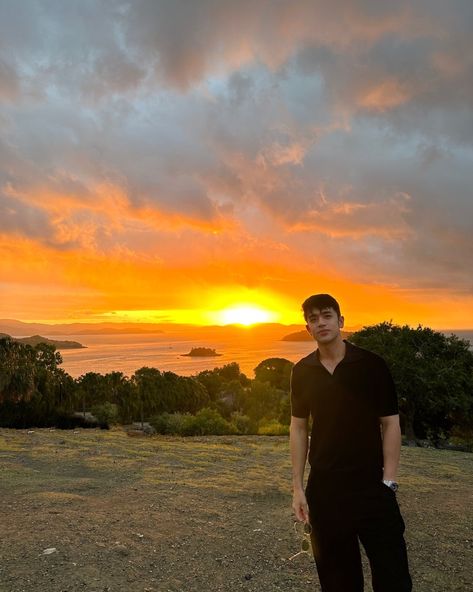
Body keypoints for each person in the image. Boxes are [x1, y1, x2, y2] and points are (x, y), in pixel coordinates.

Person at [290, 293, 412, 592]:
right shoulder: (302, 371)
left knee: (393, 577)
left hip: (372, 486)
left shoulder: (371, 365)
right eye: (313, 319)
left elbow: (391, 423)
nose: (321, 322)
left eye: (327, 315)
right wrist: (297, 487)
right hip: (325, 490)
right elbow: (298, 426)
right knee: (338, 581)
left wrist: (389, 481)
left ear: (340, 321)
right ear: (308, 328)